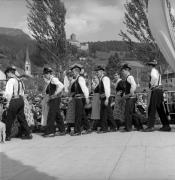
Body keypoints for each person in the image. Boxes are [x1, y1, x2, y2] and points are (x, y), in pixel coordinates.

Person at [3, 66, 32, 141]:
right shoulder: (19, 80)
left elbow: (8, 93)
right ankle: (28, 133)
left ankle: (7, 136)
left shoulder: (10, 81)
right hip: (21, 100)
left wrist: (7, 102)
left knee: (9, 118)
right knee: (22, 118)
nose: (6, 75)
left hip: (14, 100)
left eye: (7, 73)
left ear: (9, 73)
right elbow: (22, 92)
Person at [144, 60, 171, 132]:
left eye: (147, 66)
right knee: (160, 109)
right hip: (159, 91)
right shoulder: (156, 71)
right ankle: (166, 125)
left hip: (155, 90)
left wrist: (151, 86)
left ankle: (150, 126)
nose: (147, 67)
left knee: (152, 108)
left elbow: (154, 78)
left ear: (150, 66)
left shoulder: (153, 71)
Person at [42, 67, 65, 137]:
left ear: (48, 74)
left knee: (51, 115)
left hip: (55, 98)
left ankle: (50, 132)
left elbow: (61, 86)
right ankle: (62, 130)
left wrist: (55, 93)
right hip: (54, 99)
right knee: (57, 115)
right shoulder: (50, 80)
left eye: (45, 74)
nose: (44, 76)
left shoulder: (53, 79)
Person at [95, 65, 117, 133]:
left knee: (103, 114)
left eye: (97, 72)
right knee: (108, 113)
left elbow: (107, 89)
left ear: (102, 72)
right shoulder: (101, 79)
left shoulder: (105, 78)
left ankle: (104, 129)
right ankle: (114, 127)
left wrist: (107, 99)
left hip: (106, 97)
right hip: (103, 97)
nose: (96, 73)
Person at [70, 63, 90, 136]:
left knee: (78, 114)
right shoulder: (75, 80)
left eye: (73, 72)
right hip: (77, 99)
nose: (72, 73)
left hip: (80, 99)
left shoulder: (80, 78)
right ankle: (88, 128)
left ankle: (77, 131)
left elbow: (85, 88)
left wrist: (87, 97)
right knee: (82, 114)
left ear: (77, 72)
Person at [121, 64, 137, 131]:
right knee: (131, 113)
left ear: (126, 70)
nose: (122, 72)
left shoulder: (130, 77)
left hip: (130, 98)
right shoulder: (128, 78)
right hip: (130, 98)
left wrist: (131, 93)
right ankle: (138, 126)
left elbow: (134, 85)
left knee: (128, 113)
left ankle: (128, 128)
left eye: (123, 71)